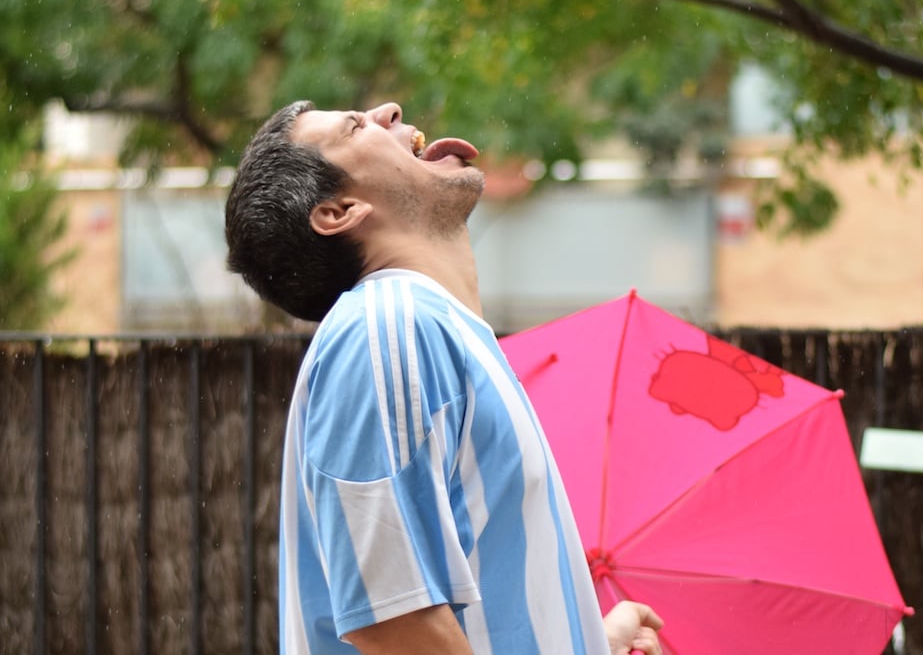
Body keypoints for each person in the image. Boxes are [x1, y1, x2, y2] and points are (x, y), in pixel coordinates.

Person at [224, 100, 664, 654]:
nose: (388, 109)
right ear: (339, 210)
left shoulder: (427, 330)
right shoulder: (386, 325)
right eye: (354, 126)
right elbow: (391, 621)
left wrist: (584, 642)